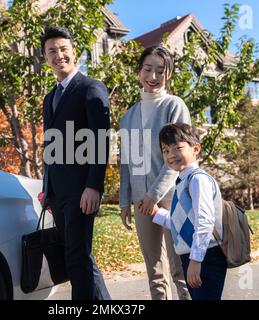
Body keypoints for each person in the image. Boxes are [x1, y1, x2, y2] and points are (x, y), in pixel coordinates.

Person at [40, 26, 111, 300]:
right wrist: (47, 189)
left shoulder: (91, 88)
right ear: (46, 58)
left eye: (63, 49)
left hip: (83, 191)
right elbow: (51, 146)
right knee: (79, 256)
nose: (58, 55)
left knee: (76, 257)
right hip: (58, 193)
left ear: (74, 51)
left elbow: (100, 140)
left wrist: (94, 186)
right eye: (51, 51)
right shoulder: (49, 98)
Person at [119, 45, 191, 300]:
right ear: (138, 72)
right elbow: (128, 162)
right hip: (141, 202)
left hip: (173, 198)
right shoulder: (128, 117)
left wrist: (154, 194)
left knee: (180, 267)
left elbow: (178, 158)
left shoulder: (175, 106)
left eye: (160, 71)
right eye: (147, 69)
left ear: (168, 74)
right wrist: (126, 200)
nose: (153, 77)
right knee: (155, 271)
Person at [152, 123, 227, 300]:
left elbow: (205, 221)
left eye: (177, 147)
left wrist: (196, 260)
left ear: (196, 149)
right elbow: (181, 223)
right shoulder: (182, 182)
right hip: (193, 256)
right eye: (166, 150)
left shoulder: (198, 180)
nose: (171, 155)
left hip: (206, 256)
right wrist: (158, 214)